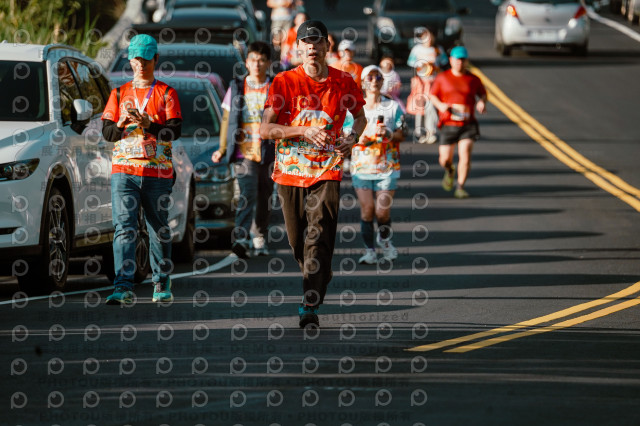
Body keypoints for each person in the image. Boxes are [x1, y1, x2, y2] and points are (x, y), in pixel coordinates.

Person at [260, 20, 367, 328]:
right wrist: (302, 131)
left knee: (319, 235)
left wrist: (353, 138)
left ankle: (310, 302)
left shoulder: (343, 81)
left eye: (317, 41)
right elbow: (266, 129)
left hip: (327, 169)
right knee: (298, 241)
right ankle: (320, 271)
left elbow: (360, 117)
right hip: (290, 172)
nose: (311, 47)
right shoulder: (284, 82)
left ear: (327, 47)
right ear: (298, 48)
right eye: (306, 42)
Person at [101, 34, 182, 304]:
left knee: (157, 227)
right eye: (136, 60)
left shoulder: (167, 93)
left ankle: (161, 280)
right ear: (130, 60)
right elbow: (108, 134)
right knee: (124, 227)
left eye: (146, 60)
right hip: (124, 171)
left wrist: (149, 125)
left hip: (157, 172)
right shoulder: (118, 93)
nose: (141, 65)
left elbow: (175, 131)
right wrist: (121, 122)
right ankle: (123, 286)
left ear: (156, 59)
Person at [211, 41, 275, 258]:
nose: (257, 64)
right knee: (247, 193)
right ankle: (241, 237)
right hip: (243, 151)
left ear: (268, 63)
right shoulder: (237, 86)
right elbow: (226, 119)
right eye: (253, 60)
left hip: (268, 150)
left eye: (262, 60)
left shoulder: (275, 86)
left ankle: (260, 236)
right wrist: (222, 148)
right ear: (246, 62)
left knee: (265, 195)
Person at [350, 65, 405, 264]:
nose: (374, 81)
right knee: (367, 210)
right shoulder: (354, 108)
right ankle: (370, 251)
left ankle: (385, 241)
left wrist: (389, 134)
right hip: (361, 167)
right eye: (370, 77)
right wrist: (357, 139)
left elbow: (402, 133)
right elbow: (344, 133)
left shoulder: (393, 107)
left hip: (387, 166)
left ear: (383, 81)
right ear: (363, 83)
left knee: (382, 211)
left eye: (378, 77)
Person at [429, 46, 487, 199]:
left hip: (468, 124)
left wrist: (482, 102)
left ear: (466, 61)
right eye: (457, 60)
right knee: (444, 159)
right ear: (451, 60)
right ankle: (449, 170)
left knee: (465, 155)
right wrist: (441, 105)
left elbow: (482, 94)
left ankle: (460, 187)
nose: (460, 62)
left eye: (463, 60)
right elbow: (432, 95)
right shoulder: (442, 78)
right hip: (448, 123)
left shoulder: (473, 79)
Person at [407, 27, 448, 144]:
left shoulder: (437, 50)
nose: (428, 40)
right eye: (425, 37)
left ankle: (431, 132)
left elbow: (444, 65)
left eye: (430, 37)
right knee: (419, 107)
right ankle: (419, 133)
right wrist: (414, 79)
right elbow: (413, 66)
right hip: (420, 83)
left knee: (431, 107)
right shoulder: (417, 49)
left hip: (433, 82)